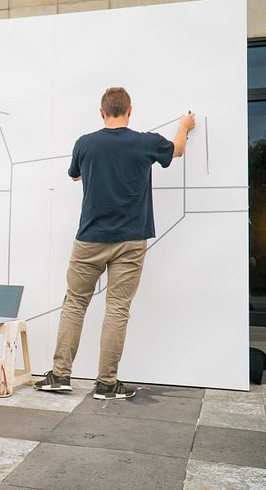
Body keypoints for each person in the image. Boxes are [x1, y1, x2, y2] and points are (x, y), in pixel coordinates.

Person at [34, 87, 195, 400]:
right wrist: (183, 126)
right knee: (117, 309)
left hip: (89, 240)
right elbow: (177, 150)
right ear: (129, 110)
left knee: (75, 305)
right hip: (130, 241)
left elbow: (75, 176)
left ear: (101, 111)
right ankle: (107, 383)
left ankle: (60, 375)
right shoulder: (146, 142)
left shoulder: (85, 143)